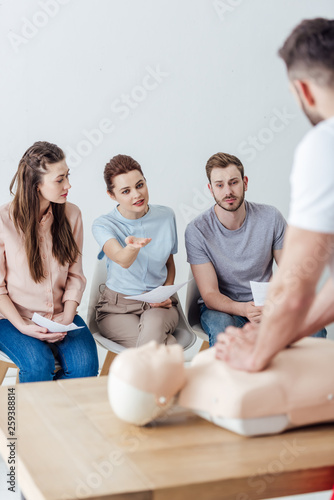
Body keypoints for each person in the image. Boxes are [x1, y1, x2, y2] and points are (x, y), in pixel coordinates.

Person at [215, 18, 334, 371]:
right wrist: (284, 335)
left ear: (304, 91)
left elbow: (296, 287)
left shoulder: (324, 145)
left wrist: (256, 353)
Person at [0, 141, 99, 383]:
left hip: (60, 314)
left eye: (67, 176)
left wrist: (66, 319)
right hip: (12, 319)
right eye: (59, 179)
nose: (68, 185)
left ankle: (62, 419)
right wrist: (23, 327)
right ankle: (26, 420)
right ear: (36, 185)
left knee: (85, 367)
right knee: (38, 366)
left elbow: (75, 275)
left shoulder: (72, 214)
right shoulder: (4, 221)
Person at [108, 339, 334, 436]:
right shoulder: (235, 400)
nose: (152, 344)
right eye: (146, 359)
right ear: (161, 399)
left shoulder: (203, 361)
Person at [185, 152, 289, 347]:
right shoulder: (197, 230)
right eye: (220, 185)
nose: (228, 191)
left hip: (267, 303)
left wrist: (272, 301)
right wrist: (243, 309)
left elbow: (289, 271)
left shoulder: (271, 217)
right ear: (211, 189)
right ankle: (231, 377)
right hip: (223, 307)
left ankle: (298, 376)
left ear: (245, 183)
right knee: (224, 331)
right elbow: (209, 294)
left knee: (312, 329)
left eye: (233, 182)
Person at [92, 154, 179, 347]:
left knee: (153, 343)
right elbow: (122, 259)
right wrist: (132, 247)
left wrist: (166, 291)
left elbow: (169, 262)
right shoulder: (103, 224)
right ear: (112, 195)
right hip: (117, 308)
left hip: (160, 304)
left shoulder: (166, 216)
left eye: (140, 185)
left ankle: (131, 377)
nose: (136, 195)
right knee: (168, 347)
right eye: (126, 191)